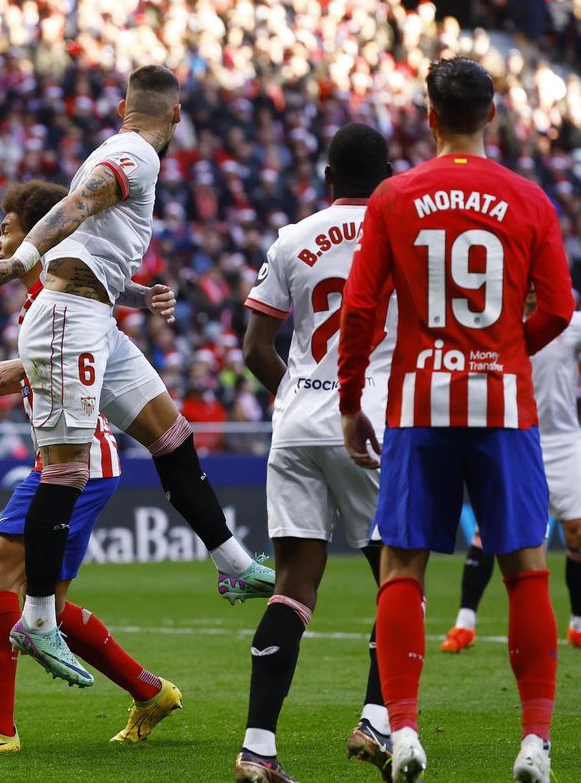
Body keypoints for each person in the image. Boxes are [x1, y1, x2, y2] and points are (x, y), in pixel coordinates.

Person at [0, 65, 274, 688]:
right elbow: (77, 205)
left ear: (127, 104)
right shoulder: (134, 154)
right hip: (69, 319)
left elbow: (86, 251)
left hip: (94, 316)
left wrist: (136, 292)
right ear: (175, 116)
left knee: (171, 434)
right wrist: (16, 261)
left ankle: (231, 561)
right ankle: (39, 619)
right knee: (66, 472)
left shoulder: (124, 150)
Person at [337, 58, 574, 783]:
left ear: (430, 116)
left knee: (401, 566)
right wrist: (505, 351)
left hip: (418, 403)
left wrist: (351, 401)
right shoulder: (529, 198)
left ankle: (402, 731)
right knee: (526, 570)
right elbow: (559, 310)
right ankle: (534, 742)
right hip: (502, 404)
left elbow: (360, 309)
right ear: (492, 116)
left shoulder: (394, 195)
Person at [0, 180, 182, 754]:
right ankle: (151, 692)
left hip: (78, 461)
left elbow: (98, 316)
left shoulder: (61, 293)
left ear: (42, 233)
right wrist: (18, 369)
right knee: (53, 607)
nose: (0, 236)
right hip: (81, 460)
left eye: (8, 226)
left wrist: (145, 297)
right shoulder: (45, 295)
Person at [235, 123, 395, 783]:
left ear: (327, 180)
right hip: (375, 422)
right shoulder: (403, 236)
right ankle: (377, 721)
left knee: (294, 583)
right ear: (387, 179)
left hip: (299, 420)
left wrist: (300, 396)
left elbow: (254, 347)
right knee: (398, 574)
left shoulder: (292, 239)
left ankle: (256, 749)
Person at [442, 293, 581, 655]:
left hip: (565, 443)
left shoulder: (572, 323)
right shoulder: (496, 319)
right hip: (514, 438)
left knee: (580, 535)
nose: (534, 288)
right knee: (489, 531)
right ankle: (464, 623)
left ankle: (580, 626)